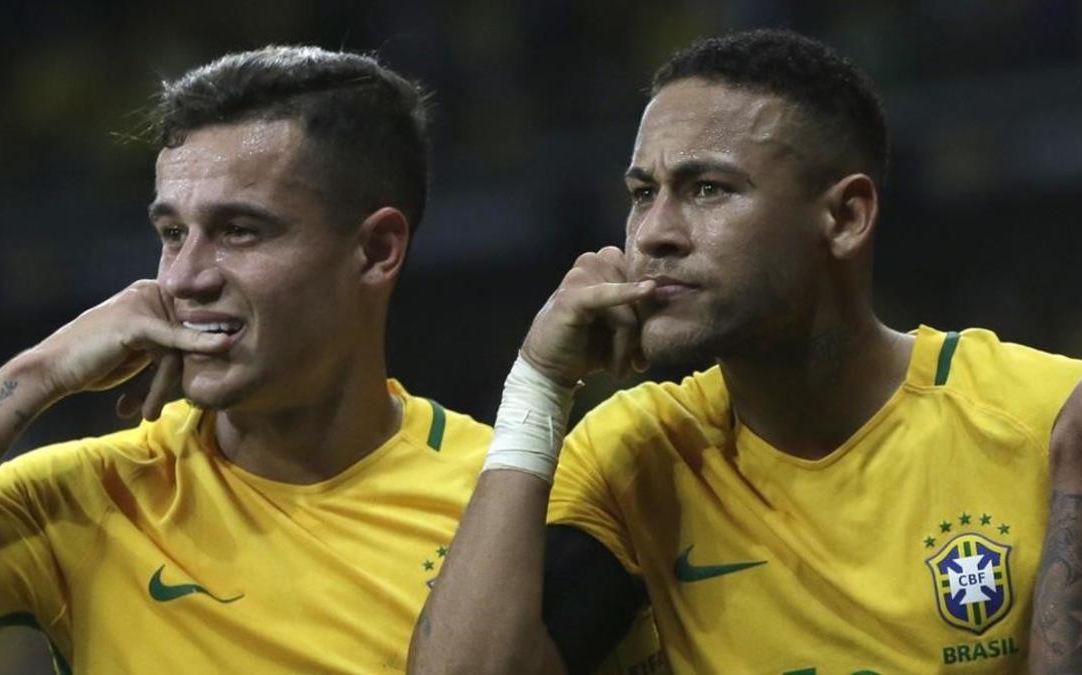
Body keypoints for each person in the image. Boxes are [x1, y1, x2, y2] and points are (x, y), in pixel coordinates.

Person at [410, 29, 1082, 674]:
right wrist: (537, 385)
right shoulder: (638, 454)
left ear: (845, 217)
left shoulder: (1045, 419)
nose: (654, 235)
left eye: (708, 189)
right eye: (643, 193)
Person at [0, 45, 568, 674]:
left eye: (239, 231)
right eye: (172, 233)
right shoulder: (90, 499)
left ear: (377, 249)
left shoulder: (507, 499)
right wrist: (32, 376)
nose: (183, 277)